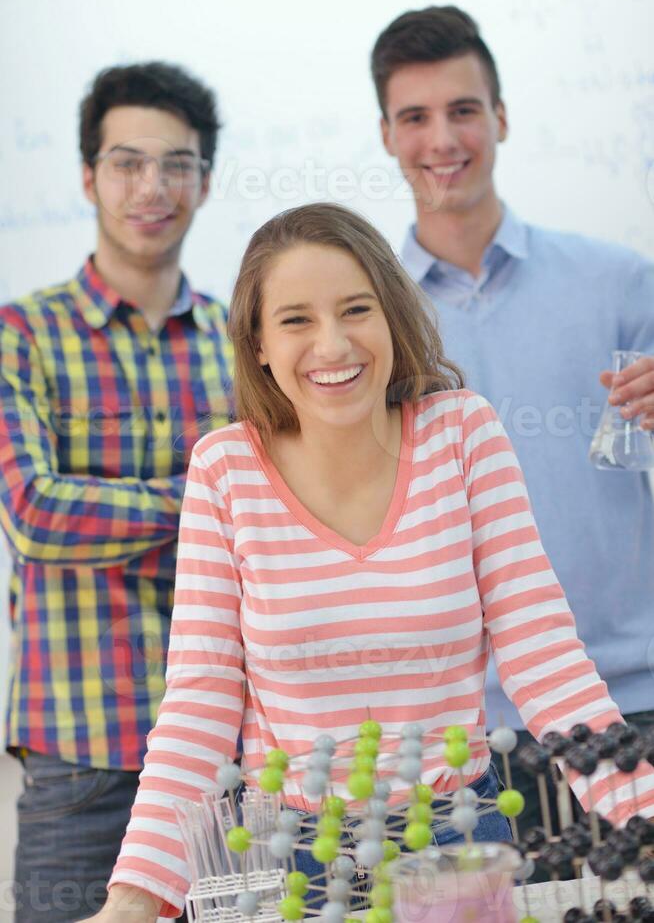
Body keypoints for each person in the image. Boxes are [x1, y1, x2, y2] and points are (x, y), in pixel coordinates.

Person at [87, 203, 651, 921]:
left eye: (356, 309)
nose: (332, 343)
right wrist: (133, 900)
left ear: (391, 316)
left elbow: (547, 664)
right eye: (295, 320)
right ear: (257, 343)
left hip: (458, 840)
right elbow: (200, 700)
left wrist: (644, 817)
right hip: (296, 858)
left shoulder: (463, 435)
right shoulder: (225, 468)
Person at [371, 6, 654, 833]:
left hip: (627, 698)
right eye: (415, 117)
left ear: (500, 116)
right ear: (386, 134)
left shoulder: (619, 282)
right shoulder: (361, 323)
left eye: (463, 109)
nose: (442, 139)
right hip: (455, 739)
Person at [0, 62, 234, 922]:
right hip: (79, 762)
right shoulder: (19, 335)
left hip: (225, 760)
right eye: (128, 162)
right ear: (88, 175)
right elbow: (35, 513)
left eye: (176, 164)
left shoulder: (241, 341)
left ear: (204, 182)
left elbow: (282, 514)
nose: (152, 186)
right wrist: (205, 499)